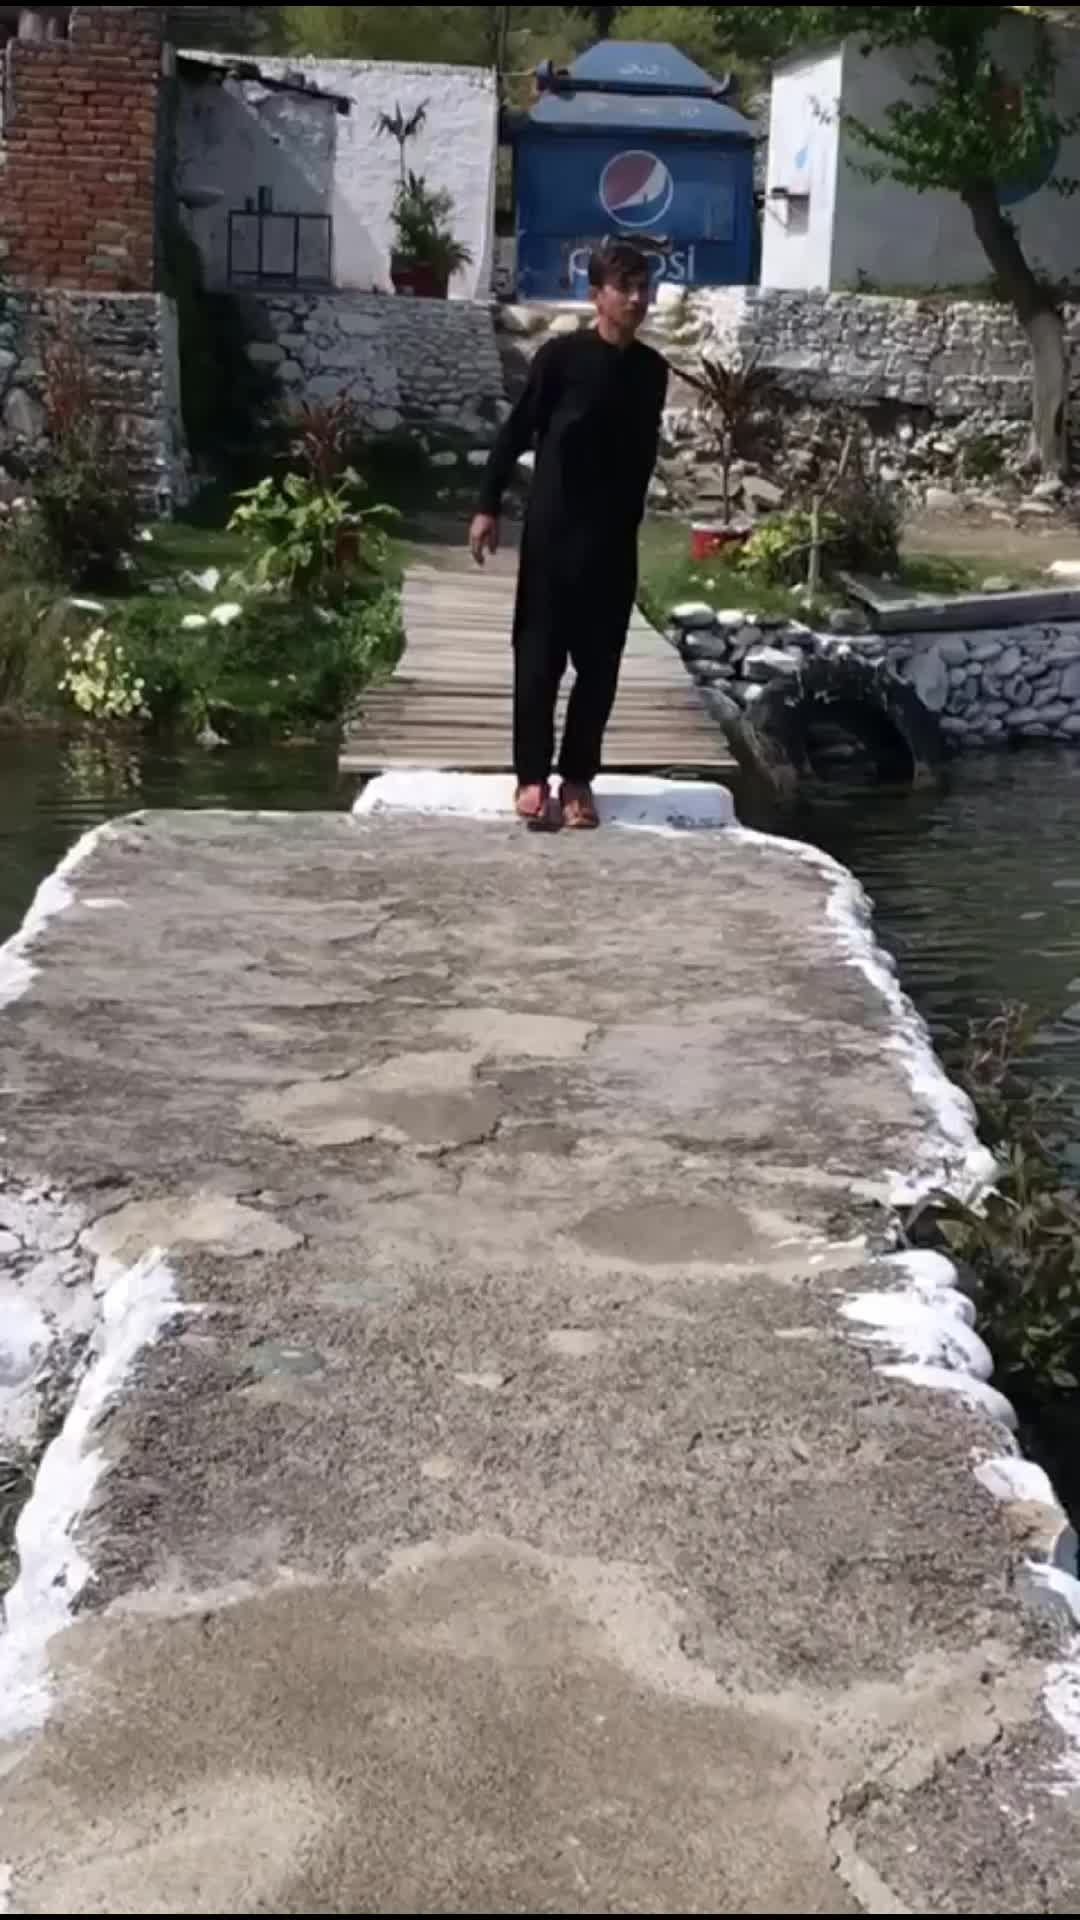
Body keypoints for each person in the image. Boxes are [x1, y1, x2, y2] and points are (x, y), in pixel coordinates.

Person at [469, 240, 668, 830]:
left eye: (643, 287)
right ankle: (532, 777)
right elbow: (516, 432)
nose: (636, 299)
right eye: (624, 287)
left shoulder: (652, 371)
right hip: (554, 534)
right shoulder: (560, 359)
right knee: (538, 659)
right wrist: (487, 505)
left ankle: (578, 778)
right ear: (596, 295)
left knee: (600, 666)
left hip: (614, 541)